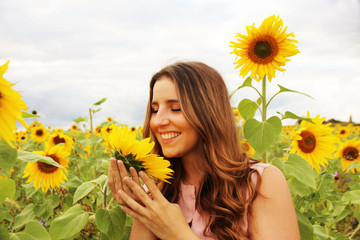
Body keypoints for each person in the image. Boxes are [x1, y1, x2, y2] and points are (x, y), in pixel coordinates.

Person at [108, 61, 300, 240]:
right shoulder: (159, 187)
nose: (158, 121)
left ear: (209, 113)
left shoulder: (260, 183)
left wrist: (179, 234)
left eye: (175, 108)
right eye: (155, 109)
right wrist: (140, 208)